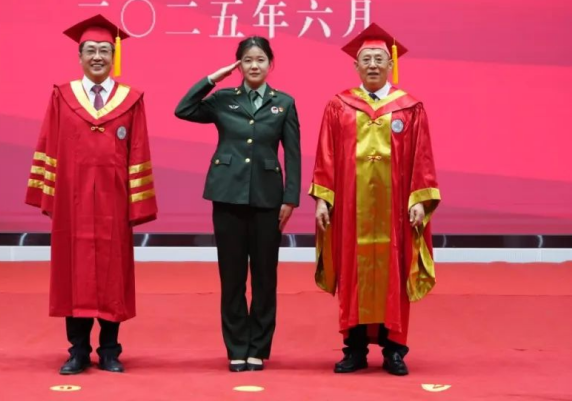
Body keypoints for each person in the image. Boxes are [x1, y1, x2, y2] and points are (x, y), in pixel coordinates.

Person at [25, 14, 157, 375]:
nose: (98, 56)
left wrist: (137, 203)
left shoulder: (131, 100)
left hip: (114, 202)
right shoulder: (62, 96)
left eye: (104, 50)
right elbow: (49, 145)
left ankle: (110, 351)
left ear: (114, 56)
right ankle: (78, 351)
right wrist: (49, 196)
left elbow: (139, 151)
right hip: (73, 202)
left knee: (113, 275)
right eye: (91, 50)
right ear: (79, 56)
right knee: (75, 273)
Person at [309, 23, 440, 376]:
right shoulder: (339, 106)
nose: (372, 64)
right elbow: (325, 157)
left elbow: (422, 157)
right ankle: (354, 349)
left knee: (394, 272)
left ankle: (394, 350)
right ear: (355, 65)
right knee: (352, 271)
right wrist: (322, 200)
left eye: (379, 59)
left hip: (395, 211)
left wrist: (419, 199)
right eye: (365, 59)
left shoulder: (409, 108)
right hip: (350, 211)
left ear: (390, 64)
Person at [175, 36, 301, 372]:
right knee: (231, 277)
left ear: (270, 64)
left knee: (264, 277)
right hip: (227, 195)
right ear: (239, 65)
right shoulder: (223, 99)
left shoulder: (284, 103)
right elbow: (183, 109)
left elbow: (293, 154)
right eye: (247, 60)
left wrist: (290, 199)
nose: (254, 65)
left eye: (260, 59)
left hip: (268, 199)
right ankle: (236, 347)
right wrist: (212, 79)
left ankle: (257, 347)